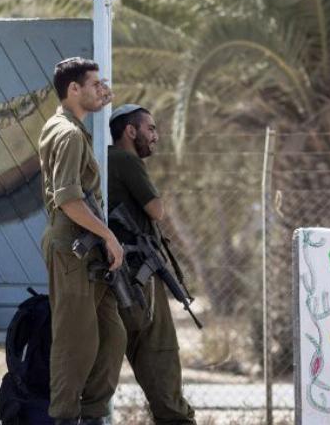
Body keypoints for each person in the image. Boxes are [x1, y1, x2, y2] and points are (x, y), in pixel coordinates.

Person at [37, 57, 125, 425]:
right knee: (75, 342)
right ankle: (64, 417)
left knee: (111, 335)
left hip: (86, 250)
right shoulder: (69, 134)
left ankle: (92, 415)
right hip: (73, 247)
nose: (100, 91)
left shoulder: (71, 127)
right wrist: (109, 236)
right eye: (93, 85)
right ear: (73, 89)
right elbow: (68, 198)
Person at [107, 104, 196, 424]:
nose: (155, 136)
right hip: (138, 277)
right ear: (130, 131)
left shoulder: (105, 160)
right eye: (150, 129)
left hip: (117, 276)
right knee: (160, 358)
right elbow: (156, 211)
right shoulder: (126, 159)